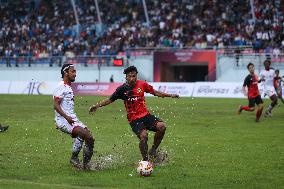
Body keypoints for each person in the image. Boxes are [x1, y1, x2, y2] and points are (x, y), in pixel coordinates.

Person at [89, 66, 179, 161]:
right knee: (144, 136)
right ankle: (145, 161)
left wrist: (170, 95)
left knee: (162, 126)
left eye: (134, 76)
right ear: (126, 77)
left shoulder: (142, 84)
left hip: (146, 115)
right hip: (134, 119)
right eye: (129, 76)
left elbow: (155, 92)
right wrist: (97, 106)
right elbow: (110, 100)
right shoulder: (121, 89)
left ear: (136, 76)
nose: (132, 78)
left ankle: (153, 151)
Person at [53, 63, 95, 170]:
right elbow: (56, 105)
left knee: (90, 138)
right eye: (73, 71)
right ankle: (84, 165)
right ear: (65, 73)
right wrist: (65, 118)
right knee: (87, 136)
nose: (75, 74)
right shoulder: (61, 86)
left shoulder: (68, 87)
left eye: (75, 71)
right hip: (64, 120)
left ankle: (77, 160)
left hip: (71, 119)